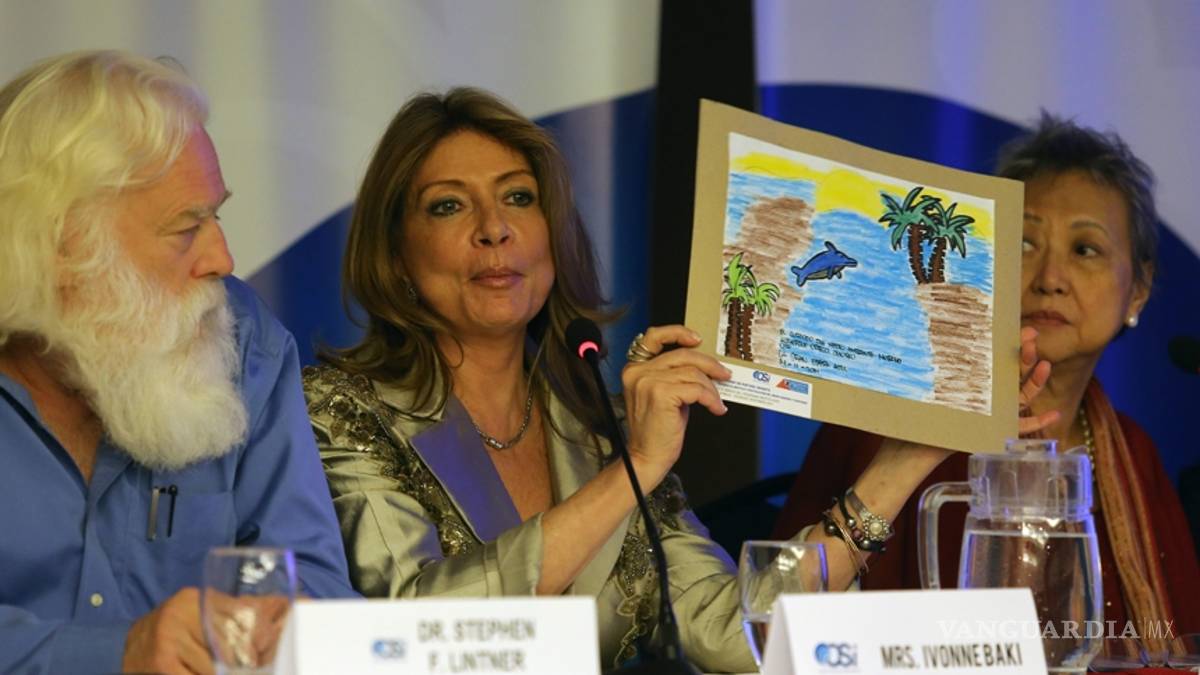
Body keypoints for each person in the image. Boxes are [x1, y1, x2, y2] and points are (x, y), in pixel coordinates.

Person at [303, 88, 1054, 672]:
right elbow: (414, 631)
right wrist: (636, 467)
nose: (494, 228)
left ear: (553, 235)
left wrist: (905, 460)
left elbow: (734, 633)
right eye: (448, 206)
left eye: (519, 197)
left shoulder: (597, 425)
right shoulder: (341, 412)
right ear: (396, 252)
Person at [773, 115, 1200, 654]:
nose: (1050, 279)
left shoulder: (1134, 452)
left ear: (1138, 290)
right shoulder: (884, 422)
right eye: (1023, 243)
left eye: (1085, 249)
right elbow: (777, 626)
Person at [0, 50, 356, 674]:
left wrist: (280, 626)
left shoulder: (242, 339)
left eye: (216, 213)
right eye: (185, 228)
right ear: (60, 244)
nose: (223, 259)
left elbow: (313, 581)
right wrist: (115, 655)